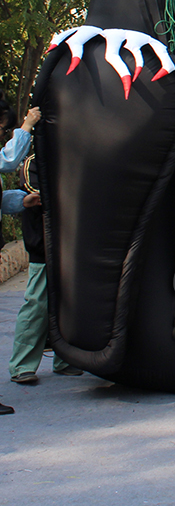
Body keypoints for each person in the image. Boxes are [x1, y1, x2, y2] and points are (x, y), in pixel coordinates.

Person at [9, 156, 82, 384]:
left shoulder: (69, 155)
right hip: (43, 246)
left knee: (69, 305)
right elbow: (38, 194)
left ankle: (66, 359)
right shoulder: (34, 161)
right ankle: (21, 364)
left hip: (69, 245)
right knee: (37, 305)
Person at [0, 97, 42, 414]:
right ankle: (23, 364)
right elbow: (8, 160)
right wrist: (26, 127)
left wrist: (19, 201)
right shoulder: (29, 159)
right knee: (37, 299)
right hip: (40, 242)